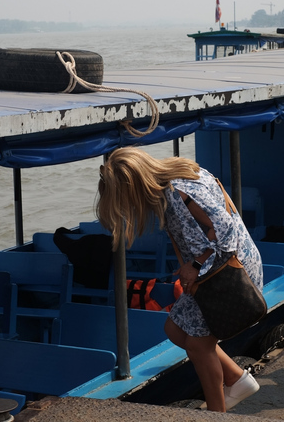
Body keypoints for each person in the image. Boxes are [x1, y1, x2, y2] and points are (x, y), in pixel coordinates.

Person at [96, 147, 263, 412]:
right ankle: (236, 379)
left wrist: (195, 264)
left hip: (228, 271)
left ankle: (215, 413)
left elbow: (225, 230)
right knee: (175, 330)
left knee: (198, 346)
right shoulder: (173, 182)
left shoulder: (180, 191)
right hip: (209, 271)